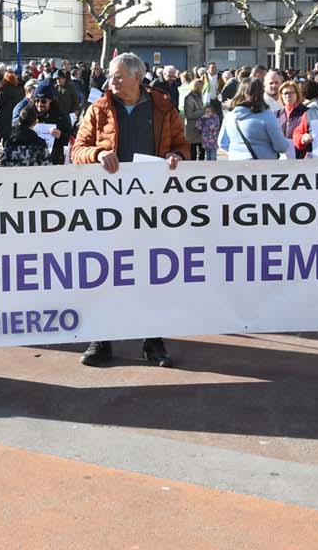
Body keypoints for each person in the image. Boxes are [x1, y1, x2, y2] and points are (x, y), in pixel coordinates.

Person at [70, 52, 190, 368]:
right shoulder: (98, 110)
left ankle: (153, 341)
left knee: (152, 274)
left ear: (137, 77)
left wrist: (177, 156)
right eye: (111, 76)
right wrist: (97, 154)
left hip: (152, 208)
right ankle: (102, 339)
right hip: (108, 209)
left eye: (118, 76)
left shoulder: (164, 107)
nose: (112, 82)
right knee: (104, 273)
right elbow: (77, 151)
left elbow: (182, 146)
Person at [219, 79, 289, 162]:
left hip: (235, 164)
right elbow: (281, 147)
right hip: (262, 167)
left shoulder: (229, 116)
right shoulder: (267, 116)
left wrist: (238, 153)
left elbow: (222, 143)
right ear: (261, 93)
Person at [182, 78, 206, 161]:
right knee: (193, 150)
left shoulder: (200, 96)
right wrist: (203, 112)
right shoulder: (189, 98)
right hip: (192, 127)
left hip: (200, 127)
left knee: (202, 150)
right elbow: (189, 115)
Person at [199, 96, 223, 161]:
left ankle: (213, 167)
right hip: (206, 140)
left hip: (213, 140)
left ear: (212, 111)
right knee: (208, 156)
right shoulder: (203, 118)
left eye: (209, 111)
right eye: (206, 112)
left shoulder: (215, 117)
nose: (208, 113)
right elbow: (199, 126)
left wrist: (213, 127)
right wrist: (202, 119)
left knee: (213, 156)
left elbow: (217, 125)